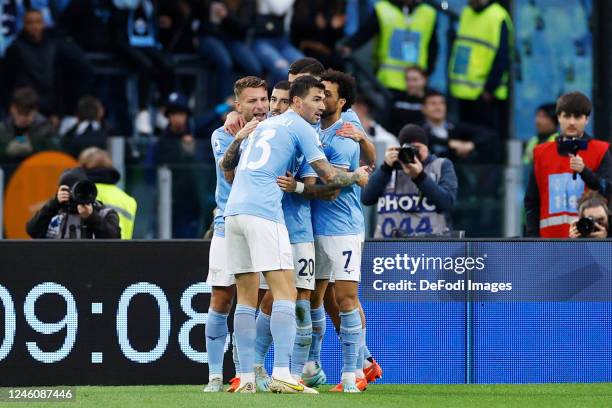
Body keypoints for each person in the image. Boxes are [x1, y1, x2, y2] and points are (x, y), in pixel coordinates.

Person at [221, 75, 369, 393]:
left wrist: (237, 137)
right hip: (264, 212)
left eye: (324, 98)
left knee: (246, 298)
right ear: (298, 102)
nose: (321, 105)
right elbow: (328, 175)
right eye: (316, 99)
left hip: (233, 212)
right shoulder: (298, 126)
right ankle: (283, 374)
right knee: (286, 293)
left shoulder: (262, 126)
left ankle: (245, 378)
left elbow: (226, 165)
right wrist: (355, 176)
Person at [524, 92, 612, 238]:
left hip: (589, 241)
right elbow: (532, 203)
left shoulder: (601, 150)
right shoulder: (541, 153)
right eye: (566, 116)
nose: (571, 122)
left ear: (586, 119)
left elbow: (608, 190)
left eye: (577, 117)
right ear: (559, 118)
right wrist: (533, 241)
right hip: (549, 243)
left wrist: (584, 171)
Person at [362, 124, 458, 238]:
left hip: (431, 247)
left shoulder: (441, 165)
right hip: (388, 247)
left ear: (427, 147)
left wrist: (420, 176)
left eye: (417, 148)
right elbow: (366, 198)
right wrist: (385, 168)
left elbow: (447, 202)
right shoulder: (390, 168)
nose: (413, 154)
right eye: (409, 149)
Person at [4, 9, 93, 116]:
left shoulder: (54, 46)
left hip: (50, 109)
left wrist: (57, 113)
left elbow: (59, 82)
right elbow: (7, 83)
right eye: (30, 23)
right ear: (24, 25)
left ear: (44, 24)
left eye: (38, 22)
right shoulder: (15, 49)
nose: (34, 26)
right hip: (24, 109)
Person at [339, 0, 438, 91]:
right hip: (386, 81)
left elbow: (433, 47)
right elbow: (366, 32)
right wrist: (349, 46)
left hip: (416, 83)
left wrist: (427, 73)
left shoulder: (429, 13)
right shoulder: (383, 8)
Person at [448, 0, 513, 133]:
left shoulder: (498, 16)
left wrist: (489, 89)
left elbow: (503, 56)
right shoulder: (466, 12)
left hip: (484, 95)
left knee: (484, 139)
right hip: (461, 91)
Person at [112, 0, 175, 135]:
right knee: (146, 65)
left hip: (147, 42)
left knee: (168, 65)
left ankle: (162, 111)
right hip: (125, 41)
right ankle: (142, 111)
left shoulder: (149, 6)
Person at [195, 0, 262, 104]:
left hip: (232, 39)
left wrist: (226, 16)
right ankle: (224, 106)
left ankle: (249, 103)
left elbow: (243, 27)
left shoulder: (247, 3)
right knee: (224, 61)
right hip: (209, 36)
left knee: (254, 66)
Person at [26, 167, 121, 239]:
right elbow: (32, 231)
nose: (73, 195)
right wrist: (54, 203)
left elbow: (114, 241)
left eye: (77, 190)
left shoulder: (103, 213)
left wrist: (91, 217)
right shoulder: (53, 213)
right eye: (67, 190)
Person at [420, 90, 497, 164]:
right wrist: (450, 143)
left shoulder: (454, 127)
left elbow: (488, 133)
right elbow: (425, 137)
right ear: (423, 108)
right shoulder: (418, 128)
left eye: (442, 103)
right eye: (433, 104)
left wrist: (471, 144)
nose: (438, 107)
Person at [78, 147, 137, 240]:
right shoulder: (129, 199)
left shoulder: (83, 193)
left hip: (93, 251)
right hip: (122, 252)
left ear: (83, 166)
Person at [0, 87, 58, 164]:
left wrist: (34, 148)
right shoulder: (3, 128)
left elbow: (55, 153)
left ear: (35, 111)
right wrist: (5, 150)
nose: (22, 118)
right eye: (19, 113)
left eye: (27, 114)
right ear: (12, 108)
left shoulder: (45, 129)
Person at [252, 0, 303, 86]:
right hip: (263, 40)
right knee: (283, 70)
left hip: (283, 41)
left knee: (305, 67)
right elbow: (279, 9)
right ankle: (272, 96)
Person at [290, 0, 346, 71]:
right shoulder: (303, 4)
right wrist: (313, 22)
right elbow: (295, 32)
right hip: (306, 48)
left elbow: (336, 35)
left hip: (329, 50)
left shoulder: (335, 4)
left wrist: (336, 26)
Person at [388, 65, 428, 135]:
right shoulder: (397, 99)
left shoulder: (431, 100)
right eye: (408, 80)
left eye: (415, 80)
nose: (411, 84)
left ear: (424, 80)